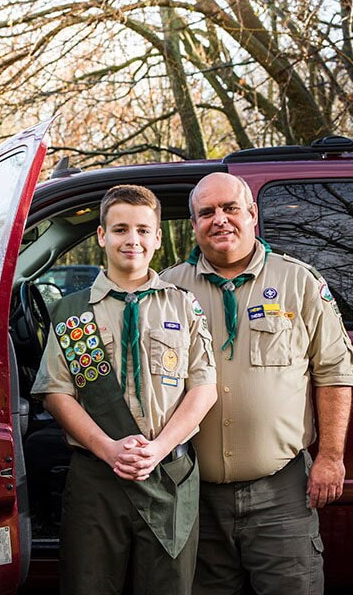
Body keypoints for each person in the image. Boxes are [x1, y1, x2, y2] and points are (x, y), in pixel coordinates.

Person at [161, 172, 353, 594]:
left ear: (252, 214)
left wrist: (330, 457)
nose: (220, 220)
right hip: (194, 495)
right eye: (206, 212)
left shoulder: (299, 282)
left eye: (230, 208)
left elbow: (334, 372)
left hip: (282, 493)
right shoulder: (167, 290)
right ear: (193, 224)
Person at [31, 184, 218, 595]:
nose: (132, 240)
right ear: (101, 236)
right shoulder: (71, 310)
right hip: (97, 477)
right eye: (119, 229)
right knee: (88, 585)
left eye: (142, 230)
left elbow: (204, 388)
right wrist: (109, 449)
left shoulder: (183, 304)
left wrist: (160, 447)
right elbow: (57, 392)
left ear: (156, 237)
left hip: (169, 473)